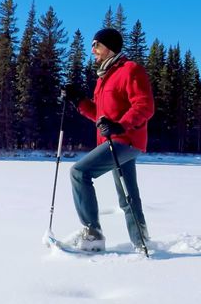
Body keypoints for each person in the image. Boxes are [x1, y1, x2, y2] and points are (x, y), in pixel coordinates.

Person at [62, 28, 155, 251]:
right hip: (113, 141)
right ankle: (141, 242)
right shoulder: (104, 78)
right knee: (128, 195)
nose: (92, 49)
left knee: (79, 172)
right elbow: (100, 116)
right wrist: (78, 101)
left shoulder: (130, 70)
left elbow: (145, 106)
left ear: (110, 47)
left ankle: (92, 234)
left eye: (96, 44)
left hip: (126, 139)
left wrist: (120, 125)